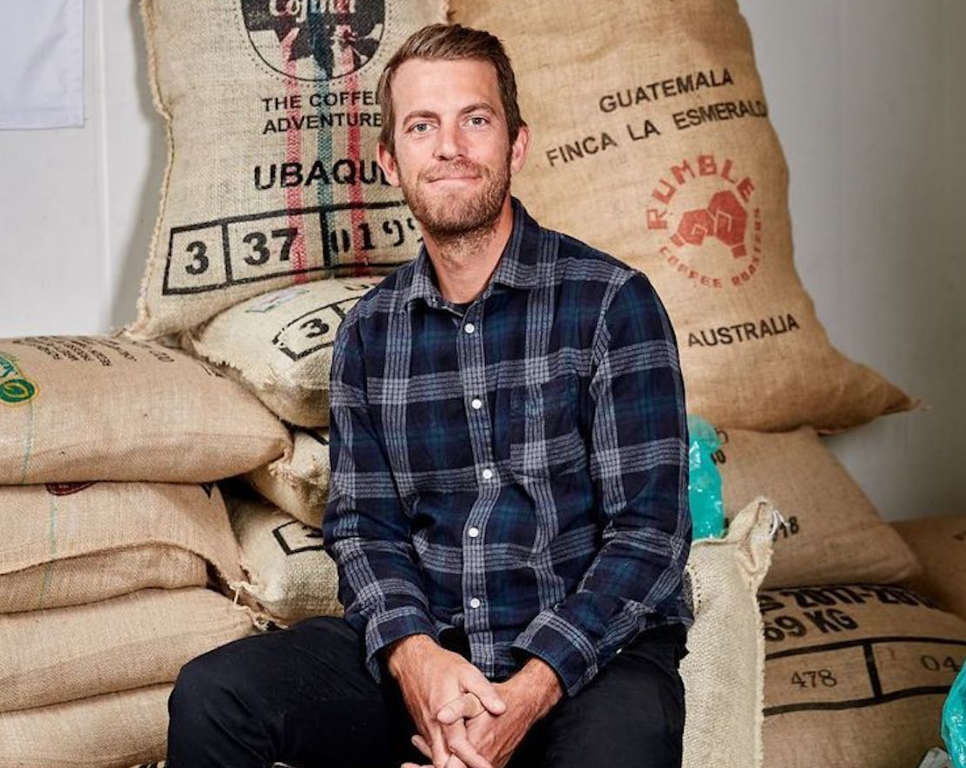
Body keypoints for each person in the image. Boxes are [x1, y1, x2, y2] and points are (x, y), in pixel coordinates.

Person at [167, 23, 693, 768]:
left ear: (515, 145)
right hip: (437, 644)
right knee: (213, 696)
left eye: (475, 120)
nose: (449, 147)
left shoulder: (612, 304)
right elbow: (365, 530)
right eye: (422, 126)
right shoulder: (369, 336)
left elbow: (649, 538)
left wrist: (528, 690)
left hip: (588, 662)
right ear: (391, 159)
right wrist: (416, 661)